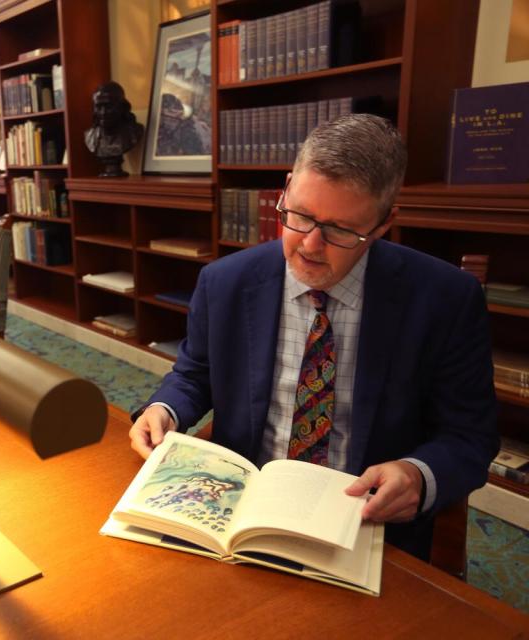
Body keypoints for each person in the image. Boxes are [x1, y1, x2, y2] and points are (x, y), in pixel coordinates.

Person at [129, 113, 498, 559]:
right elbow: (196, 373)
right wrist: (165, 408)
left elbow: (470, 435)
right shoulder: (225, 282)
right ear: (286, 188)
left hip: (365, 525)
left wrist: (418, 475)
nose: (308, 245)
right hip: (239, 511)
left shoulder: (445, 300)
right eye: (299, 215)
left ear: (383, 223)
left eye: (341, 230)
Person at [84, 81, 143, 177]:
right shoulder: (90, 137)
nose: (103, 112)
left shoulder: (134, 133)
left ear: (123, 107)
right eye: (98, 107)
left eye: (109, 106)